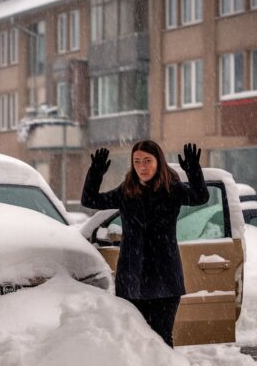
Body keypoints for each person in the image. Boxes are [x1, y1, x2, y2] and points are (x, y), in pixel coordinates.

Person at [81, 140, 209, 348]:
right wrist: (95, 173)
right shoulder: (126, 192)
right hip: (132, 277)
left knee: (161, 341)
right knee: (135, 342)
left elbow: (200, 196)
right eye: (137, 161)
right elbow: (90, 200)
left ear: (158, 162)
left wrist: (194, 170)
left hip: (164, 278)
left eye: (147, 161)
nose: (142, 166)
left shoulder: (172, 189)